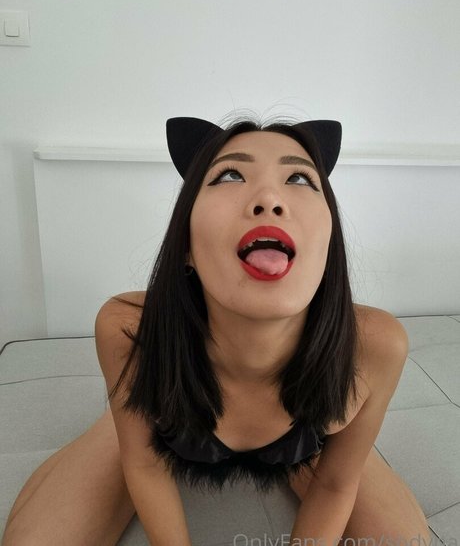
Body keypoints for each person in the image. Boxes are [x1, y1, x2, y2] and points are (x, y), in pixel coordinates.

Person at [2, 115, 431, 546]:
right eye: (230, 175)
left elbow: (336, 484)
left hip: (310, 455)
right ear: (186, 244)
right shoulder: (129, 330)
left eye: (299, 178)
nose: (269, 198)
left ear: (328, 245)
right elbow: (145, 464)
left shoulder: (374, 346)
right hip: (157, 434)